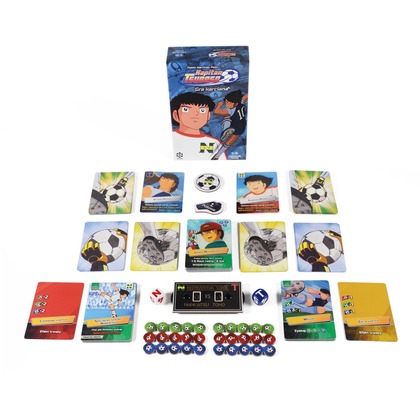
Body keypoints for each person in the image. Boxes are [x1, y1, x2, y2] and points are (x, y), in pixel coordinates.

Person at [170, 92, 227, 160]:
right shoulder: (169, 138)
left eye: (202, 110)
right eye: (186, 109)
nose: (196, 114)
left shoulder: (214, 143)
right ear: (175, 115)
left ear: (208, 115)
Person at [211, 90, 248, 160]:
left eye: (229, 103)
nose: (227, 104)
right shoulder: (241, 102)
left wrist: (219, 105)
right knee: (228, 143)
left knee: (226, 117)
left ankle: (226, 129)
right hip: (241, 126)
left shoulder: (230, 110)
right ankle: (217, 156)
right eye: (226, 102)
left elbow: (216, 112)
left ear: (236, 104)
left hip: (234, 125)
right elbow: (245, 97)